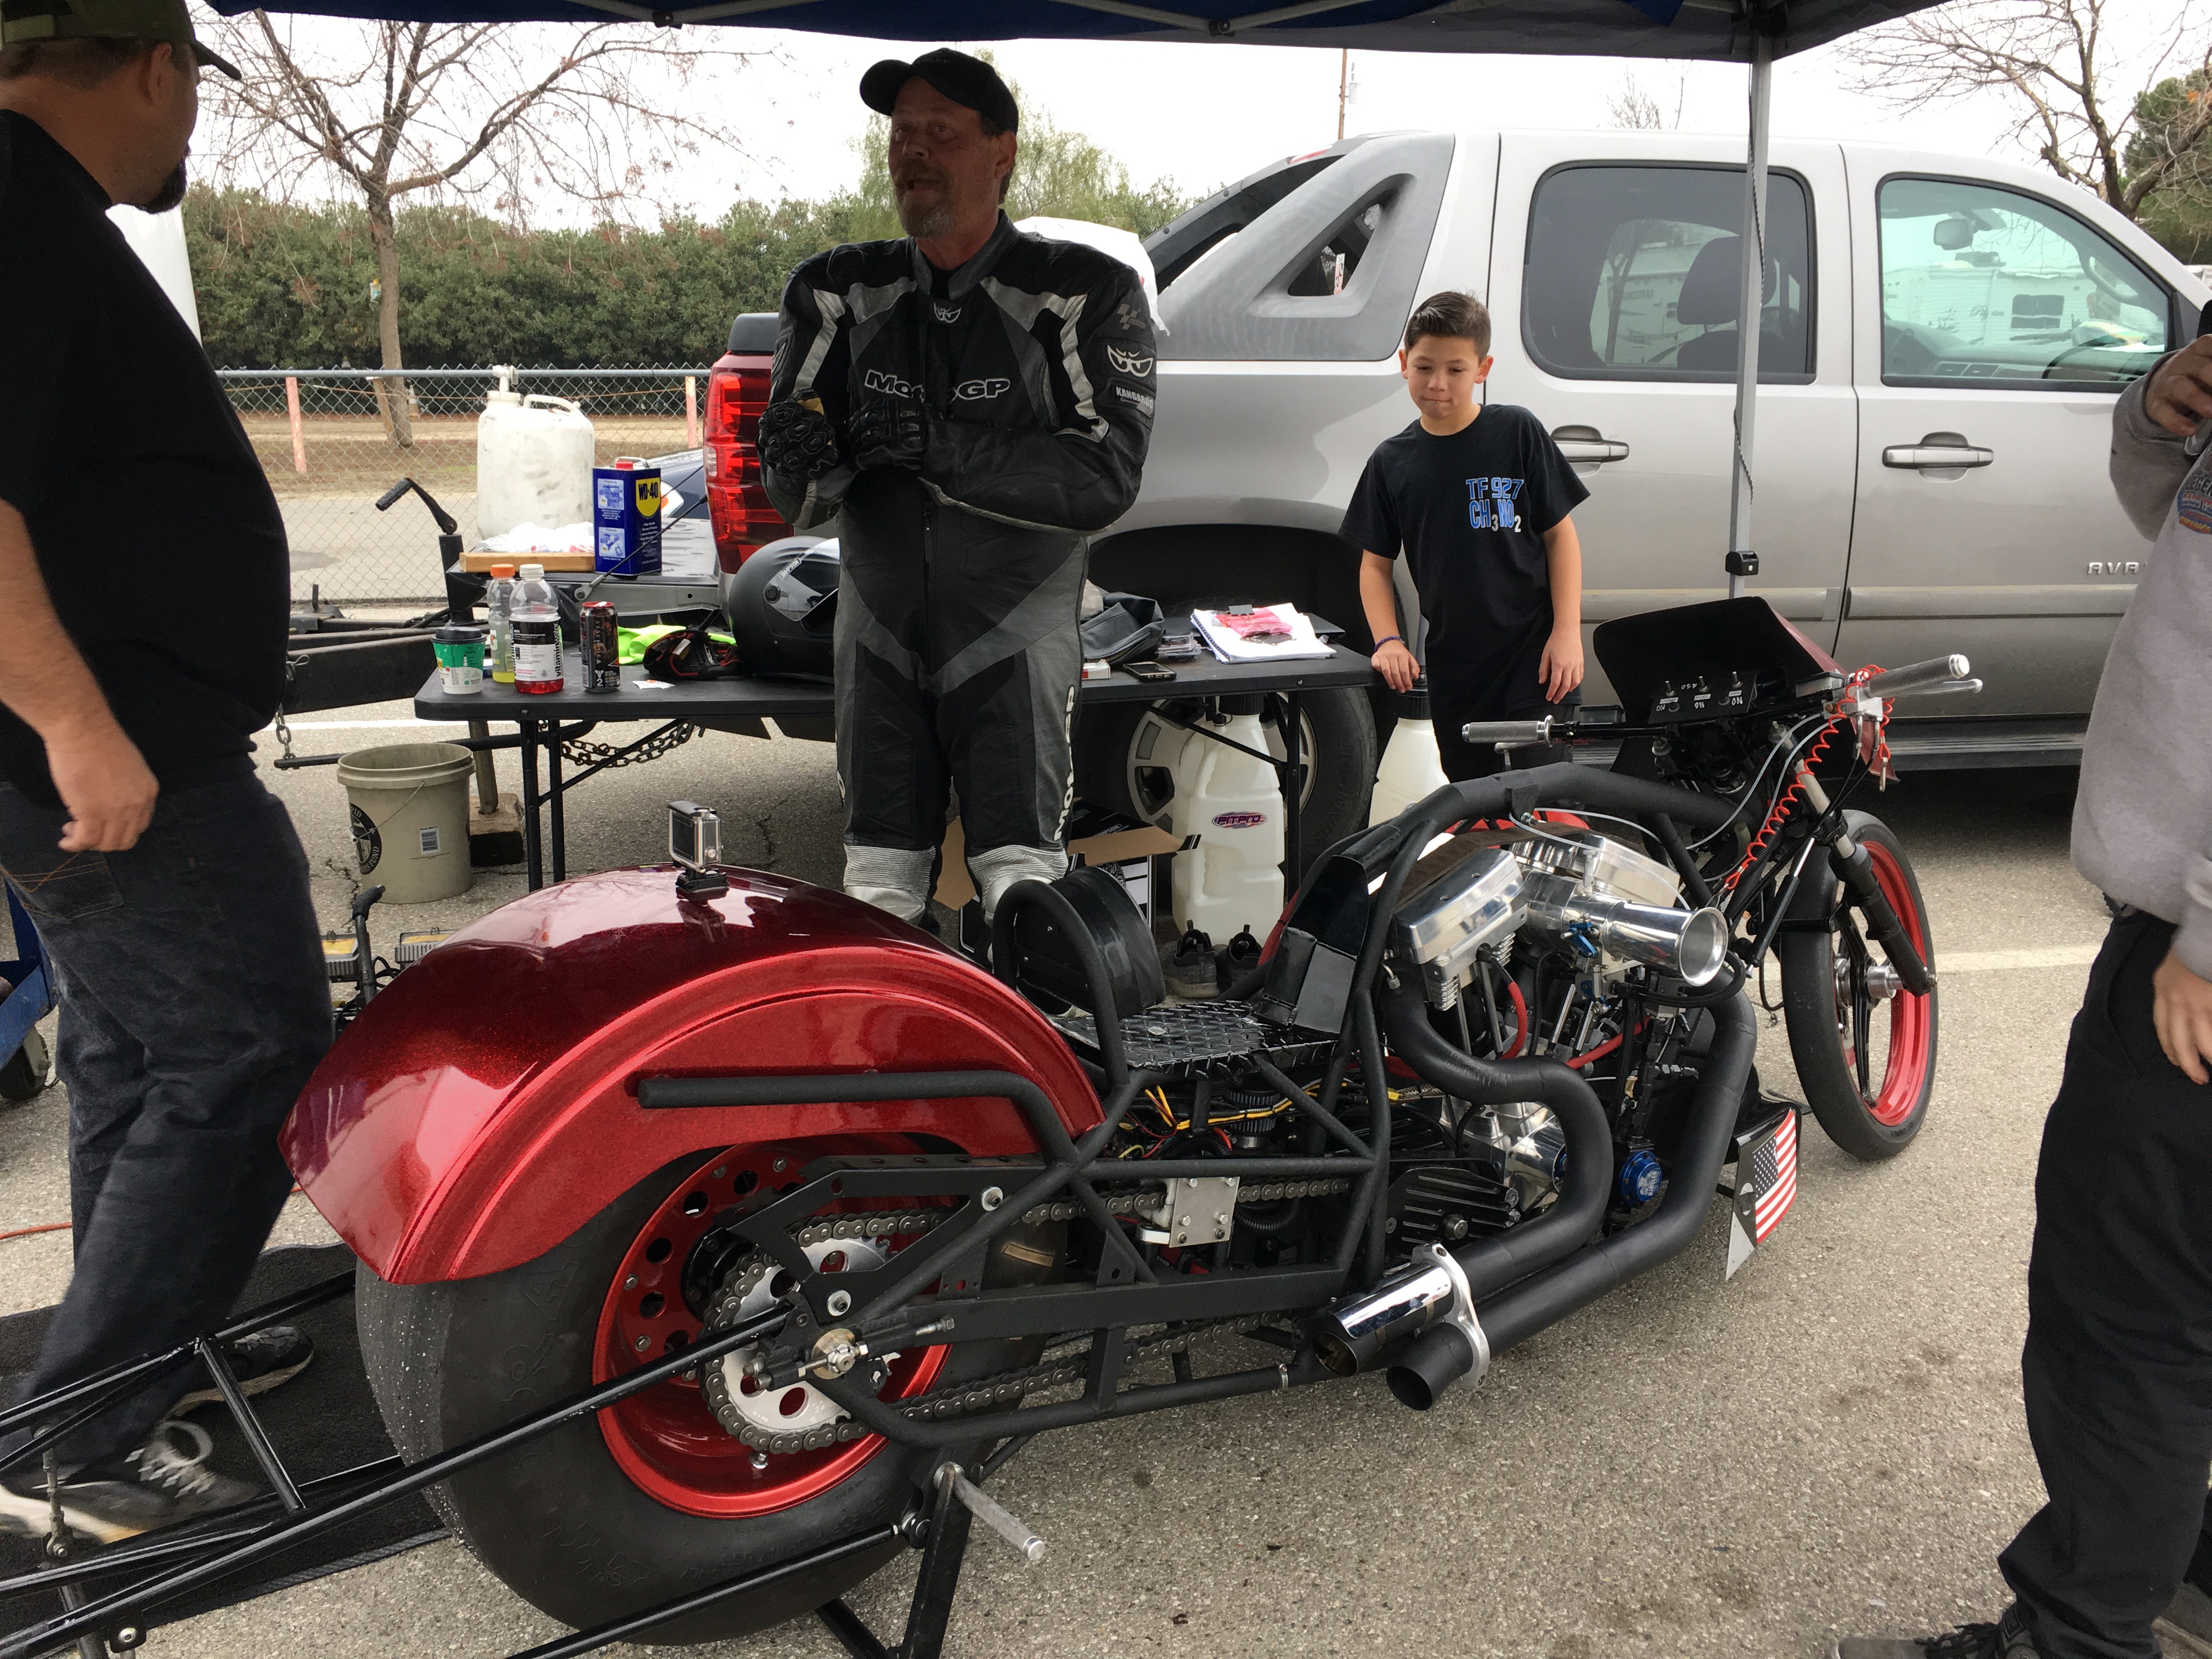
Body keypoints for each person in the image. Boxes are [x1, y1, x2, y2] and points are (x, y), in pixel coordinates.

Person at [0, 0, 326, 1543]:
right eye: (191, 87)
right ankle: (82, 1441)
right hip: (109, 756)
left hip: (101, 748)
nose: (191, 119)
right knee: (251, 1051)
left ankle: (151, 1343)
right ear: (153, 68)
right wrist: (75, 723)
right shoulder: (16, 208)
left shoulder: (38, 209)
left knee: (141, 1056)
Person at [1835, 338, 2212, 1659]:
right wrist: (2160, 427)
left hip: (2196, 959)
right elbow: (2185, 529)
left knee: (2128, 1317)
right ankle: (2182, 1565)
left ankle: (2078, 1639)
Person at [754, 48, 1155, 926]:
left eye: (941, 132)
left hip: (1012, 637)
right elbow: (795, 494)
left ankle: (1029, 1060)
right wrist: (793, 456)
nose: (914, 152)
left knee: (1025, 896)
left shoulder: (1084, 290)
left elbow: (1107, 476)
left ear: (1002, 152)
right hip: (878, 635)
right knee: (878, 896)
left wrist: (938, 447)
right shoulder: (834, 290)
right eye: (902, 133)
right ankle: (890, 1060)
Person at [1344, 291, 1585, 781]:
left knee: (1533, 794)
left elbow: (1561, 538)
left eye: (1456, 370)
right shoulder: (1392, 462)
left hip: (1536, 659)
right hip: (1456, 669)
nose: (1438, 384)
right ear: (1403, 363)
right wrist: (1387, 639)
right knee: (1475, 807)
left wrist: (1567, 634)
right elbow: (1374, 564)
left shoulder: (1517, 432)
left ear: (1482, 368)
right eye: (1425, 367)